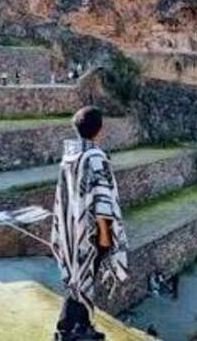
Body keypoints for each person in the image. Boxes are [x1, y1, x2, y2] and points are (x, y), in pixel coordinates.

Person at [50, 106, 129, 341]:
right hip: (93, 232)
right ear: (100, 130)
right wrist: (105, 234)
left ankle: (74, 327)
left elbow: (64, 198)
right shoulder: (95, 158)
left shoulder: (70, 157)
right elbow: (102, 199)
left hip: (73, 230)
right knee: (84, 279)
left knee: (80, 278)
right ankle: (71, 330)